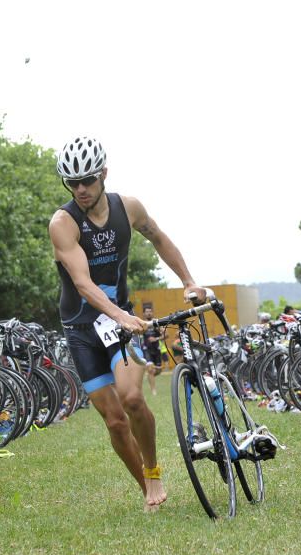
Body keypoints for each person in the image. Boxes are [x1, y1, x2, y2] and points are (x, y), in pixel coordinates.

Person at [48, 136, 207, 513]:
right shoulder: (63, 223)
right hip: (83, 329)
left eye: (87, 180)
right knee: (116, 421)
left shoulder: (128, 208)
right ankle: (147, 486)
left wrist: (188, 281)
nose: (81, 189)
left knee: (133, 398)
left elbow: (160, 239)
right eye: (73, 183)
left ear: (103, 173)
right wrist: (119, 314)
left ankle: (152, 468)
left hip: (120, 323)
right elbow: (83, 284)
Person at [140, 305, 163, 396]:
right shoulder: (141, 323)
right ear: (144, 313)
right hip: (146, 349)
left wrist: (156, 338)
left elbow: (166, 335)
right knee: (150, 370)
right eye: (147, 311)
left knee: (158, 370)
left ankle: (150, 375)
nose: (149, 313)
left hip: (156, 349)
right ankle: (153, 391)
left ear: (152, 312)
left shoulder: (156, 323)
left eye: (150, 311)